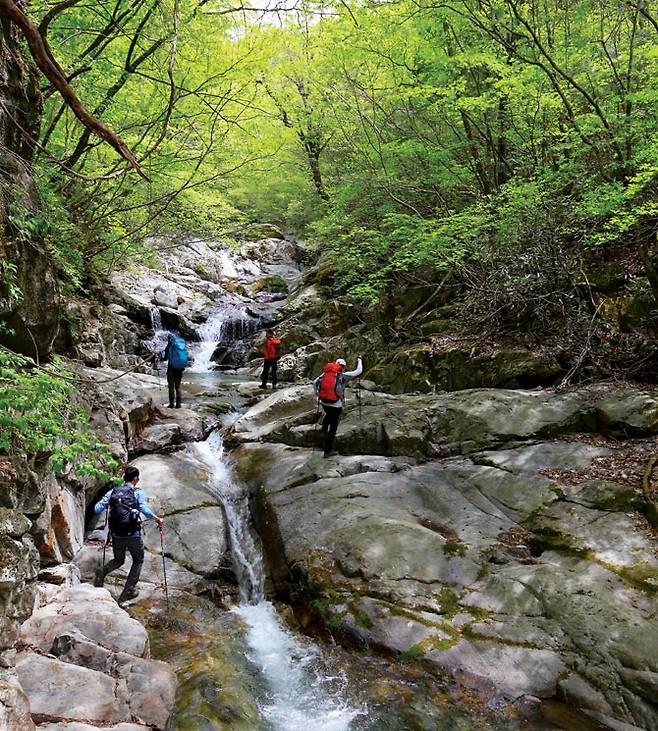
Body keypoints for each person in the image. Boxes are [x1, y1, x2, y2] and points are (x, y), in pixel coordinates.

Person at [93, 466, 164, 603]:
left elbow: (97, 509)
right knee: (138, 560)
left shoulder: (113, 491)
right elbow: (143, 508)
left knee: (119, 560)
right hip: (133, 535)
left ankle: (102, 572)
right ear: (136, 479)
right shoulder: (137, 493)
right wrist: (157, 519)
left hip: (116, 534)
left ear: (123, 478)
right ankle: (128, 591)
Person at [314, 356, 363, 458]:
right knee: (333, 427)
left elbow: (315, 382)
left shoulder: (326, 373)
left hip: (324, 403)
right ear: (343, 367)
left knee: (328, 415)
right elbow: (359, 371)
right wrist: (359, 359)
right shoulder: (344, 375)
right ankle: (327, 451)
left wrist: (318, 395)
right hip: (336, 405)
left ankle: (323, 431)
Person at [163, 333, 188, 408]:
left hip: (171, 369)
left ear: (169, 339)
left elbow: (165, 358)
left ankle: (171, 404)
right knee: (178, 387)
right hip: (179, 369)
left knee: (171, 387)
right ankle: (178, 404)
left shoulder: (169, 347)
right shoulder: (180, 346)